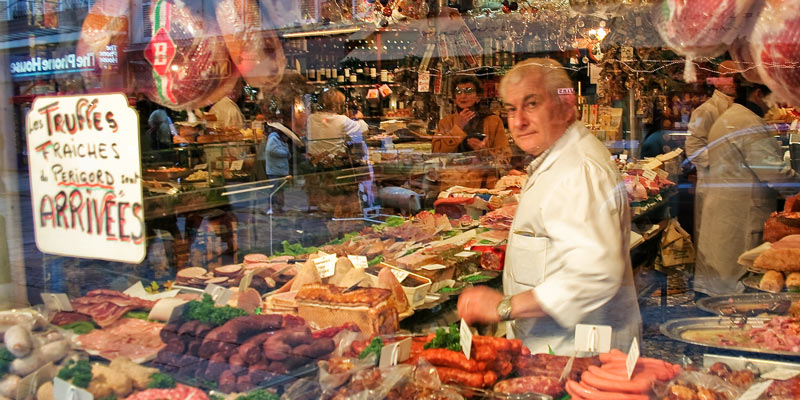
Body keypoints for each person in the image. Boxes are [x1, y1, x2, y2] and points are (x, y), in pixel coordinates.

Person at [457, 58, 641, 355]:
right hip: (555, 350)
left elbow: (595, 274)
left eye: (532, 104)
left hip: (579, 356)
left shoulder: (577, 169)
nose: (518, 122)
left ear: (567, 108)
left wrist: (503, 306)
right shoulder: (559, 156)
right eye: (511, 109)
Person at [694, 84, 800, 296]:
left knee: (723, 280)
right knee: (737, 287)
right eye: (774, 97)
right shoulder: (748, 122)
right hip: (740, 214)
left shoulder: (730, 117)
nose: (776, 105)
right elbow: (772, 172)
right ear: (758, 94)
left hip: (727, 209)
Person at [685, 61, 738, 240]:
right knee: (713, 239)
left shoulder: (740, 109)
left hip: (735, 189)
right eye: (727, 76)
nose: (732, 81)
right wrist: (726, 163)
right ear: (715, 81)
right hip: (713, 187)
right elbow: (693, 148)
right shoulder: (706, 111)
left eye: (736, 77)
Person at [432, 75, 511, 161]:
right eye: (458, 92)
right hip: (453, 173)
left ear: (478, 97)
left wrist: (484, 151)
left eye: (468, 91)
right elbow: (436, 154)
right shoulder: (445, 122)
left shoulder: (493, 121)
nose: (463, 96)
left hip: (484, 173)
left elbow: (505, 159)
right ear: (454, 99)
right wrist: (458, 128)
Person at [306, 88, 369, 165]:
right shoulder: (341, 119)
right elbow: (363, 130)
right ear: (339, 105)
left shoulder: (311, 117)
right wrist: (359, 118)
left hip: (313, 162)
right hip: (334, 163)